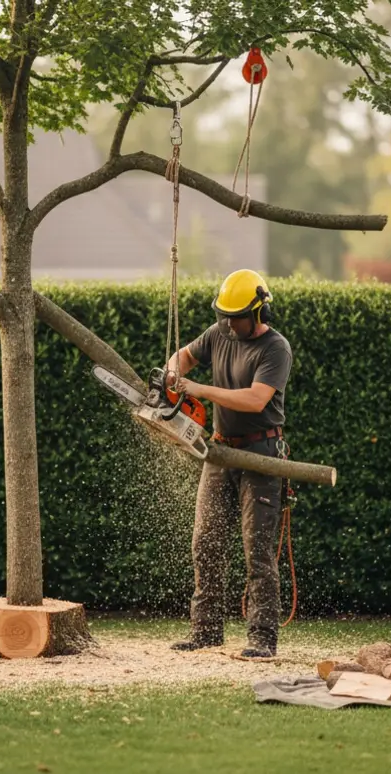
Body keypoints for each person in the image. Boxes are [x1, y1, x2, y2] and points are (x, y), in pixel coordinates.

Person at [162, 269, 293, 658]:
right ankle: (205, 631)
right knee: (205, 542)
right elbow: (183, 356)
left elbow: (255, 399)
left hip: (261, 454)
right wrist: (173, 374)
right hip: (220, 451)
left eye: (236, 318)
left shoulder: (276, 348)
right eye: (225, 316)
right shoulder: (218, 333)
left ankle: (263, 638)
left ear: (259, 313)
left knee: (258, 549)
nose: (229, 324)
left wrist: (199, 389)